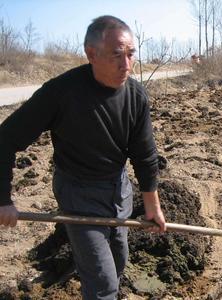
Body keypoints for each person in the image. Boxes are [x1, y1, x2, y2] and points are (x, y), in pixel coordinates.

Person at [0, 15, 167, 300]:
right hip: (78, 195)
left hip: (118, 191)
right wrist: (3, 199)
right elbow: (5, 140)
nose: (126, 65)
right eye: (116, 55)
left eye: (130, 55)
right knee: (102, 284)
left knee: (117, 264)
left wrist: (152, 205)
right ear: (91, 54)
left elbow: (145, 154)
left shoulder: (136, 95)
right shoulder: (60, 92)